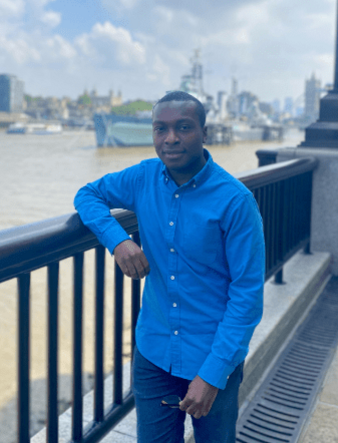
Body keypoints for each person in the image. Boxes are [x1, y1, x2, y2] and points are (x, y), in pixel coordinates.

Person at [73, 91, 265, 443]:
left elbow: (247, 296)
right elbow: (87, 194)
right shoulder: (144, 177)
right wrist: (119, 240)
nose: (170, 138)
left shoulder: (236, 201)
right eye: (160, 129)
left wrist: (213, 374)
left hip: (212, 354)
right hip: (154, 351)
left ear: (205, 133)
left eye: (183, 127)